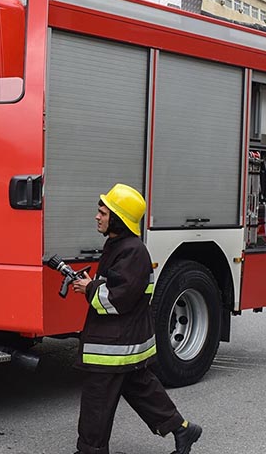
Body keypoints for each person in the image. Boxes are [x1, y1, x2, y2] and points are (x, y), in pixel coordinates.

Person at [70, 183, 202, 454]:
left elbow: (119, 298)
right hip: (125, 340)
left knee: (97, 400)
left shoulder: (132, 251)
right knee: (142, 390)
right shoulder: (121, 246)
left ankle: (89, 451)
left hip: (114, 344)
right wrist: (92, 285)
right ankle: (183, 430)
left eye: (103, 213)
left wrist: (89, 288)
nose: (97, 217)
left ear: (117, 218)